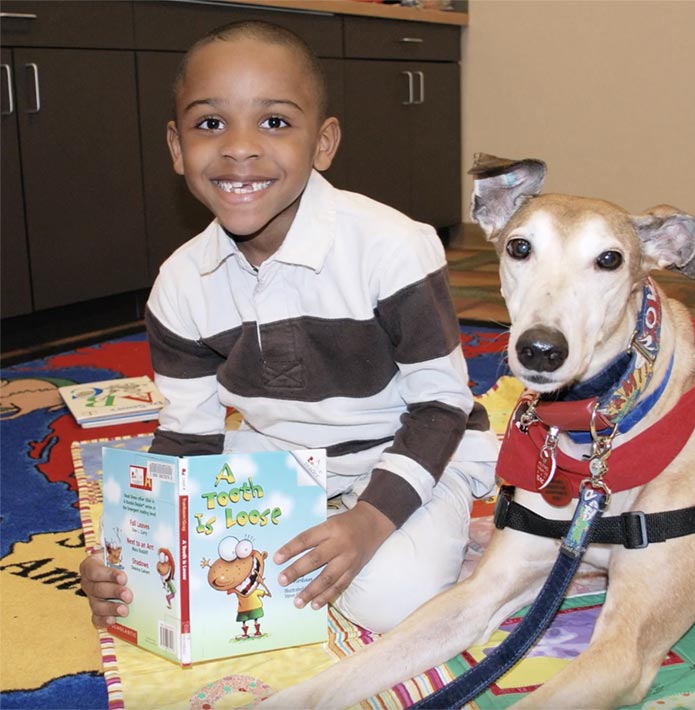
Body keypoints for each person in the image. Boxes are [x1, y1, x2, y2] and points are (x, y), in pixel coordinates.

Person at [79, 20, 497, 634]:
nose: (240, 147)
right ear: (176, 147)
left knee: (389, 604)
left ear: (323, 143)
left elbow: (440, 406)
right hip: (282, 452)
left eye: (274, 122)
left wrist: (371, 520)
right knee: (182, 567)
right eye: (209, 123)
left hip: (412, 445)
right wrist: (127, 555)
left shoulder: (394, 247)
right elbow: (189, 439)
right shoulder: (179, 284)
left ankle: (454, 522)